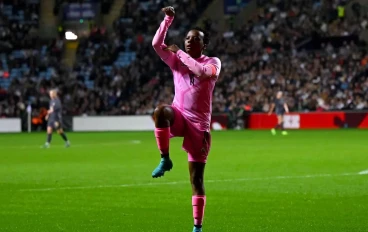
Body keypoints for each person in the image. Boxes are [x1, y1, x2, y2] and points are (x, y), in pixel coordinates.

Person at [151, 6, 221, 232]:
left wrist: (179, 52)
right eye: (187, 38)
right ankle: (165, 158)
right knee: (161, 111)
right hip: (179, 115)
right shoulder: (176, 62)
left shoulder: (213, 62)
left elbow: (201, 72)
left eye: (195, 39)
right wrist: (168, 19)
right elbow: (156, 45)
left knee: (196, 181)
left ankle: (197, 227)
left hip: (199, 128)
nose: (190, 41)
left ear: (204, 44)